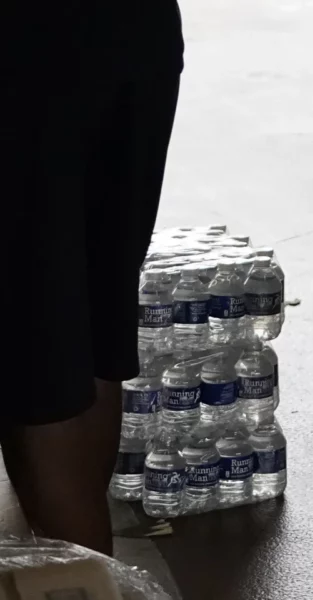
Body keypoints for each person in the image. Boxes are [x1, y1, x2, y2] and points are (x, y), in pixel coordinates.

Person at [1, 2, 184, 555]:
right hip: (133, 33)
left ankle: (77, 582)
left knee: (37, 353)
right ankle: (85, 573)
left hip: (25, 52)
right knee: (88, 331)